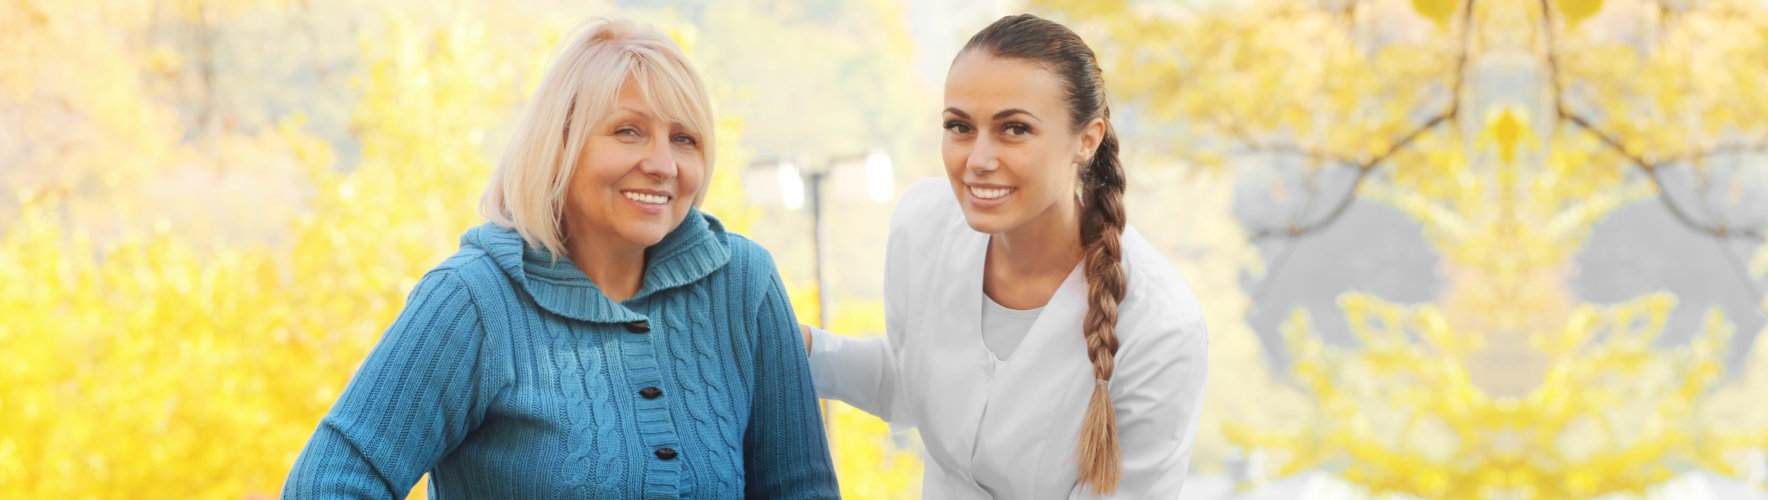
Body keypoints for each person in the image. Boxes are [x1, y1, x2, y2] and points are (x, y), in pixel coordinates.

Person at [285, 17, 838, 499]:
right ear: (562, 143)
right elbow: (329, 483)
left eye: (685, 139)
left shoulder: (744, 283)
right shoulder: (472, 300)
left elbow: (802, 491)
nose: (663, 164)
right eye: (629, 131)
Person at [803, 14, 1209, 499]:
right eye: (959, 127)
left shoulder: (1161, 326)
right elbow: (913, 384)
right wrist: (795, 347)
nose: (977, 160)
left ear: (1088, 138)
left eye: (1014, 129)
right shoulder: (923, 226)